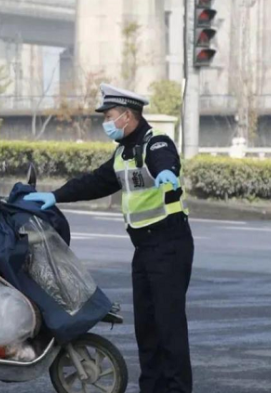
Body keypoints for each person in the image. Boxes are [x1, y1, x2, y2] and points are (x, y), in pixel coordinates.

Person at [24, 84, 195, 393]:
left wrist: (167, 174)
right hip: (145, 248)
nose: (106, 122)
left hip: (170, 244)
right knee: (147, 327)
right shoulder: (122, 153)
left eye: (110, 116)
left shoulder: (154, 144)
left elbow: (164, 161)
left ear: (128, 116)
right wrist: (55, 195)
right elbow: (94, 183)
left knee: (169, 327)